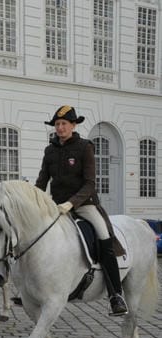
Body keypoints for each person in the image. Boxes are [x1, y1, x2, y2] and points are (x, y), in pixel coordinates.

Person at [36, 105, 128, 316]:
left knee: (104, 237)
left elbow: (89, 183)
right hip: (56, 206)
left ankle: (116, 295)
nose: (60, 128)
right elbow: (42, 180)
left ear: (73, 125)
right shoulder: (49, 151)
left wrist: (72, 203)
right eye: (57, 124)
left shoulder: (85, 147)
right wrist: (35, 201)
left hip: (84, 205)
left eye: (64, 124)